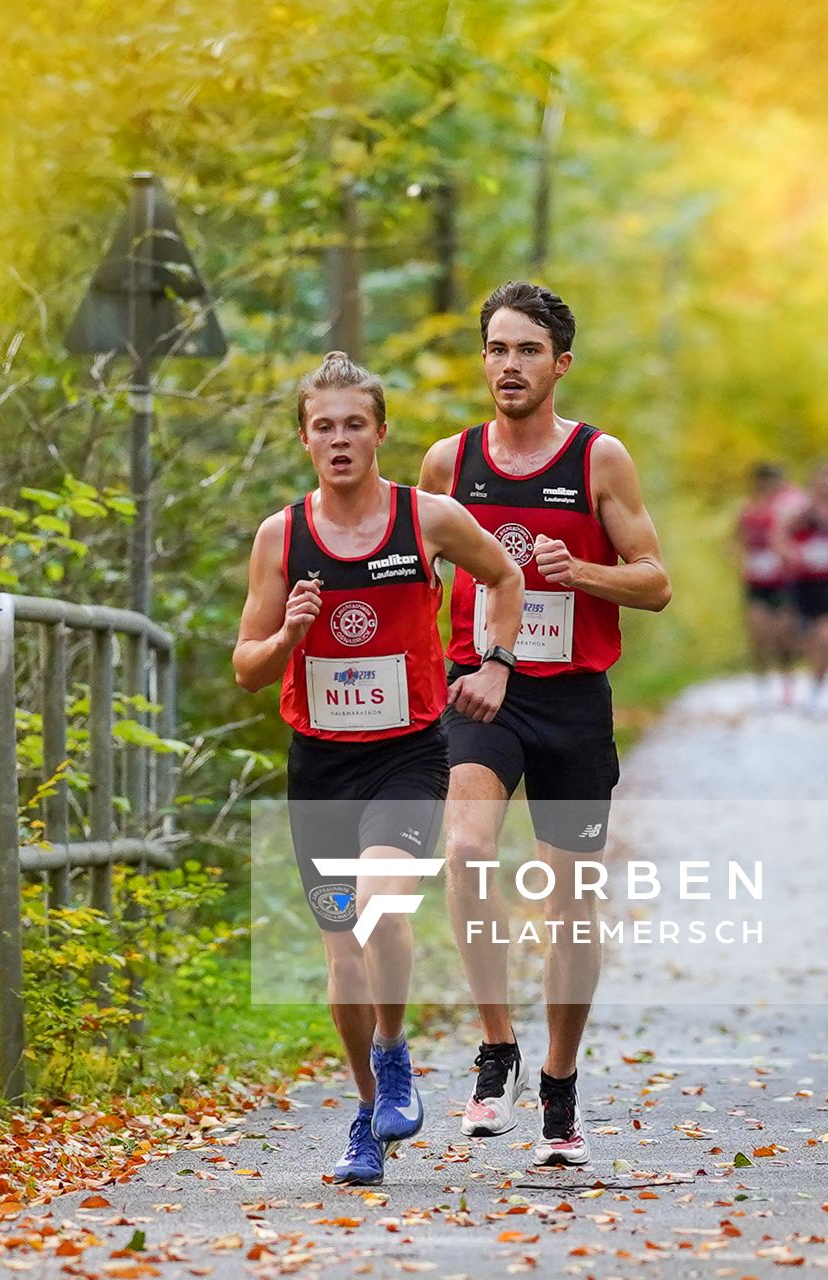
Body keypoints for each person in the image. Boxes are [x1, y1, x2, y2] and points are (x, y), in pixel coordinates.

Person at [234, 352, 523, 1186]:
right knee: (341, 956)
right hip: (320, 765)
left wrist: (495, 662)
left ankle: (394, 1052)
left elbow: (503, 574)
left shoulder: (425, 518)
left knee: (377, 902)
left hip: (407, 755)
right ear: (304, 440)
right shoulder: (281, 536)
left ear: (381, 433)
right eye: (323, 427)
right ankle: (367, 1111)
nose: (339, 440)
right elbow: (247, 667)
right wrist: (288, 636)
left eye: (354, 424)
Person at [418, 282, 670, 1167]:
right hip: (481, 692)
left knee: (571, 902)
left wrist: (580, 576)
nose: (510, 365)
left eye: (528, 350)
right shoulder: (450, 464)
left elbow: (655, 581)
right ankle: (497, 1047)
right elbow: (415, 585)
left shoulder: (599, 461)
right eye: (497, 349)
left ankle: (559, 1081)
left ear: (561, 364)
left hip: (571, 701)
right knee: (465, 852)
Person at [782, 462, 828, 717]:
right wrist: (793, 555)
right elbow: (779, 538)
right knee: (807, 639)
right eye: (823, 481)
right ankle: (807, 681)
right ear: (814, 483)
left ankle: (817, 690)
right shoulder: (801, 512)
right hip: (802, 582)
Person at [734, 462, 800, 708]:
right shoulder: (746, 510)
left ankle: (787, 683)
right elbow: (735, 540)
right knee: (759, 634)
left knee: (783, 635)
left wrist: (790, 555)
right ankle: (762, 685)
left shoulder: (787, 509)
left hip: (781, 580)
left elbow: (798, 538)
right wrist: (741, 558)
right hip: (756, 581)